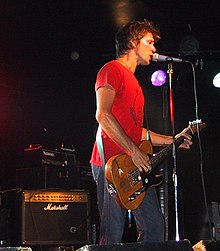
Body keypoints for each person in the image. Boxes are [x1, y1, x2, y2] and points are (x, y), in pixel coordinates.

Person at [90, 20, 193, 245]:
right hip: (111, 165)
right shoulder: (111, 70)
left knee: (155, 227)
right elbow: (103, 115)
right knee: (112, 232)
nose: (154, 48)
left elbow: (138, 131)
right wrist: (134, 152)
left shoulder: (135, 83)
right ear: (132, 43)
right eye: (149, 42)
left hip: (133, 165)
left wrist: (172, 140)